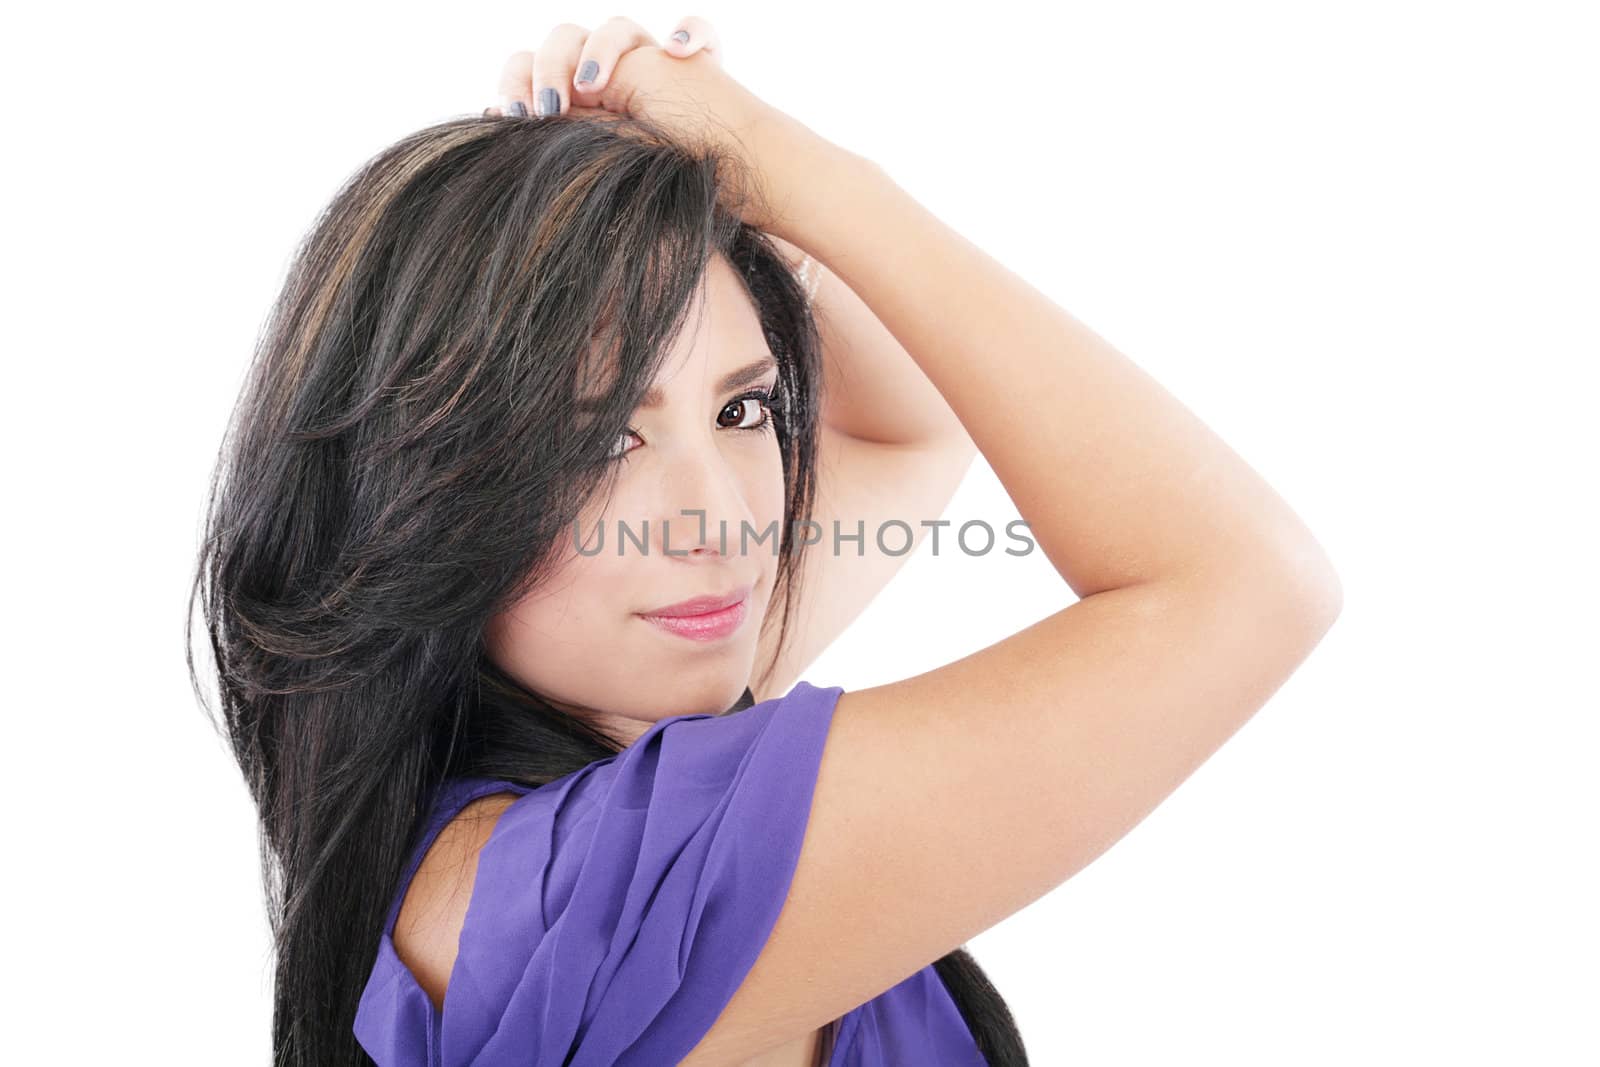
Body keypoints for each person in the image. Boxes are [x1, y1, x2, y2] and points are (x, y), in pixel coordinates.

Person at [188, 15, 1342, 1067]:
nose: (722, 517)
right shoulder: (600, 885)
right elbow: (1245, 583)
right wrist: (773, 160)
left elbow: (901, 430)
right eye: (595, 441)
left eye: (743, 408)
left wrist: (683, 197)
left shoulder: (582, 762)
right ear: (414, 497)